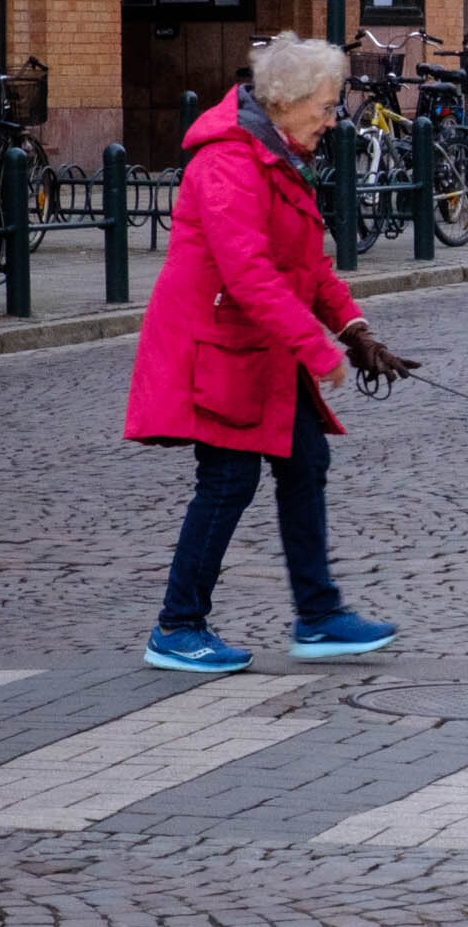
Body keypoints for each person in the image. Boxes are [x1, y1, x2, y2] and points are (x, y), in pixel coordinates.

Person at [125, 33, 418, 674]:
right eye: (326, 104)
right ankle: (177, 626)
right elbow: (249, 274)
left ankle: (318, 616)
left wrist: (356, 330)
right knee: (228, 480)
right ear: (285, 103)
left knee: (304, 461)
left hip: (260, 346)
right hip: (219, 347)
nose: (333, 117)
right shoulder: (229, 162)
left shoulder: (280, 156)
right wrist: (318, 347)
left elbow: (308, 267)